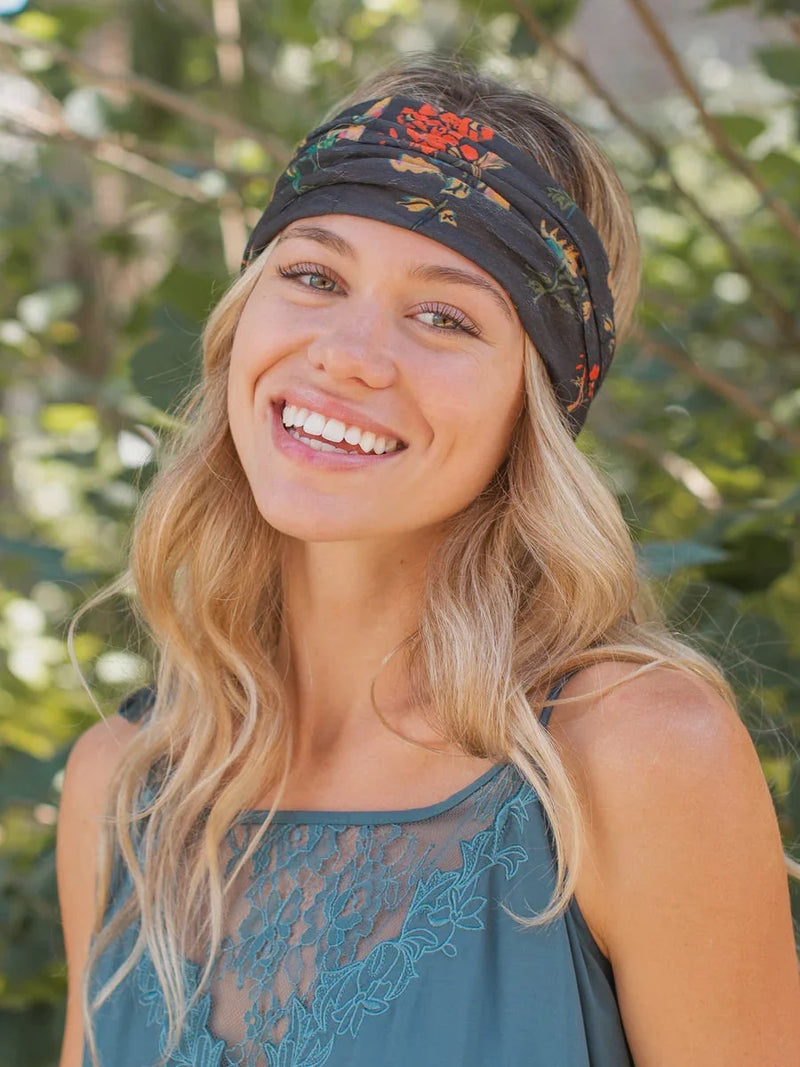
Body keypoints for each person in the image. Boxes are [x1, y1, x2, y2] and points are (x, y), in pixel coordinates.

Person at [57, 56, 800, 1067]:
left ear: (533, 407)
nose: (348, 351)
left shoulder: (629, 757)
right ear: (240, 325)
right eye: (312, 276)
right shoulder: (125, 783)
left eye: (445, 315)